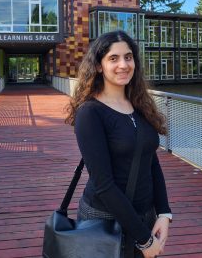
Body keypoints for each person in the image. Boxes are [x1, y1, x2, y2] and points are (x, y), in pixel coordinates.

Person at [65, 30, 172, 258]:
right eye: (113, 58)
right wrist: (144, 240)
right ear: (98, 66)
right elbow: (103, 184)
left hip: (144, 217)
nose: (123, 64)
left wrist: (163, 212)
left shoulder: (139, 105)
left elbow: (150, 160)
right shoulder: (90, 113)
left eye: (129, 57)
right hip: (104, 220)